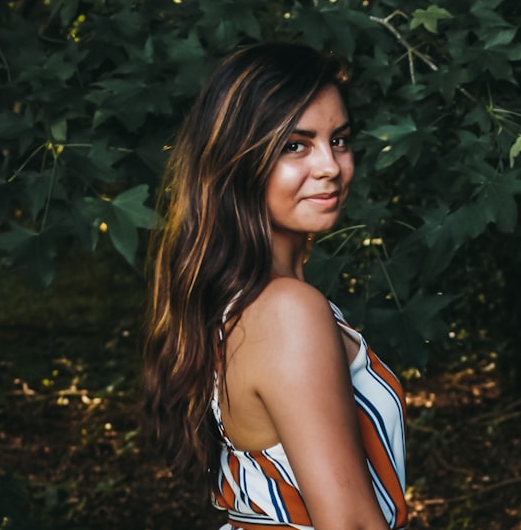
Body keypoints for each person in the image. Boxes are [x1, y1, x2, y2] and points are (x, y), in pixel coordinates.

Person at [142, 42, 408, 530]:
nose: (330, 166)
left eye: (340, 140)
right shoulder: (287, 311)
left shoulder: (241, 303)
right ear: (239, 159)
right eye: (295, 145)